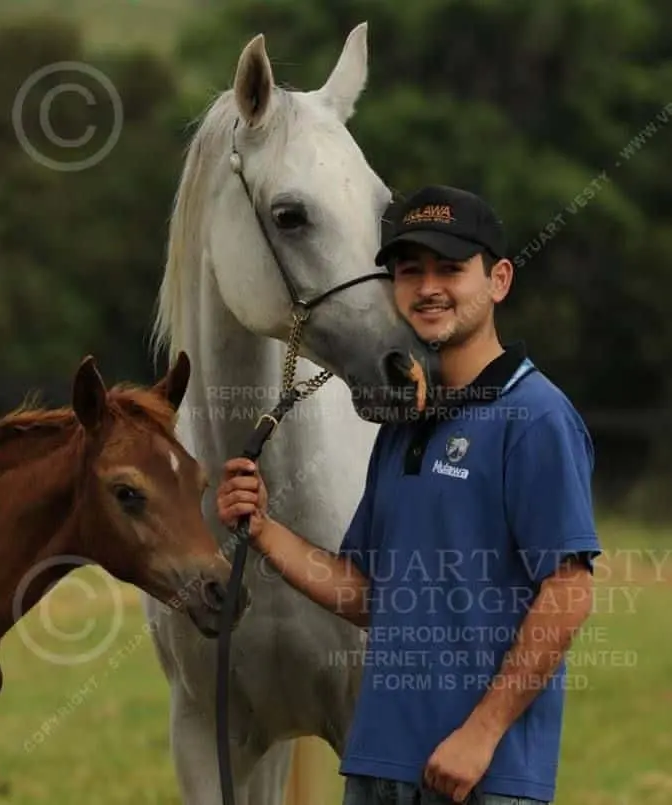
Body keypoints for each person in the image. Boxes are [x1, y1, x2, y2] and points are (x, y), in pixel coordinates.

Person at [217, 185, 602, 805]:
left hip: (481, 775)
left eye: (451, 269)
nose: (428, 287)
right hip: (377, 763)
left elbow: (569, 591)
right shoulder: (402, 427)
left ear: (499, 279)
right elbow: (368, 595)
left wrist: (481, 734)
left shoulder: (536, 417)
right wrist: (263, 529)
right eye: (409, 271)